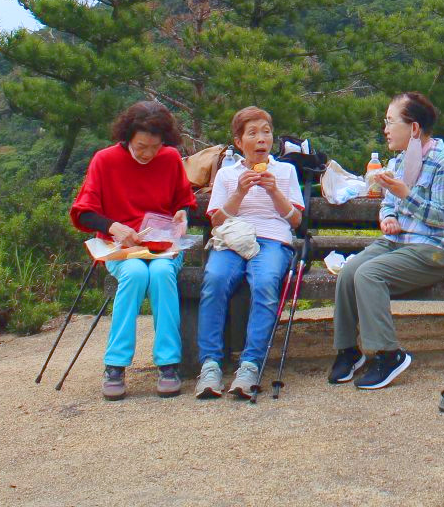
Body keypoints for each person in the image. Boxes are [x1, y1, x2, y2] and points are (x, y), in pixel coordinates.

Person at [327, 92, 444, 390]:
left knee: (369, 274)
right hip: (400, 240)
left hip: (436, 248)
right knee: (349, 272)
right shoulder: (401, 160)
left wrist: (406, 194)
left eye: (391, 122)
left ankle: (388, 354)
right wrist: (387, 216)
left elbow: (443, 217)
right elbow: (389, 202)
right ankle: (348, 351)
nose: (386, 129)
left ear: (414, 128)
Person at [69, 100, 197, 399]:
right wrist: (114, 226)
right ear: (127, 137)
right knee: (136, 274)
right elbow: (84, 212)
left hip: (162, 245)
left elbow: (183, 201)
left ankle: (168, 363)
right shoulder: (105, 160)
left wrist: (182, 215)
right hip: (120, 246)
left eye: (155, 146)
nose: (148, 153)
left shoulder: (169, 159)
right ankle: (115, 364)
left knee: (163, 272)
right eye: (141, 146)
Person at [195, 106, 305, 400]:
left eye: (266, 132)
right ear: (239, 141)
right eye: (252, 133)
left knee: (266, 282)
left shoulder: (285, 171)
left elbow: (295, 220)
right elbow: (217, 220)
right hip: (233, 237)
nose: (261, 139)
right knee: (215, 280)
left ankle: (250, 363)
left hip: (272, 238)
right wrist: (239, 193)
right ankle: (210, 364)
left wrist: (274, 192)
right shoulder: (227, 175)